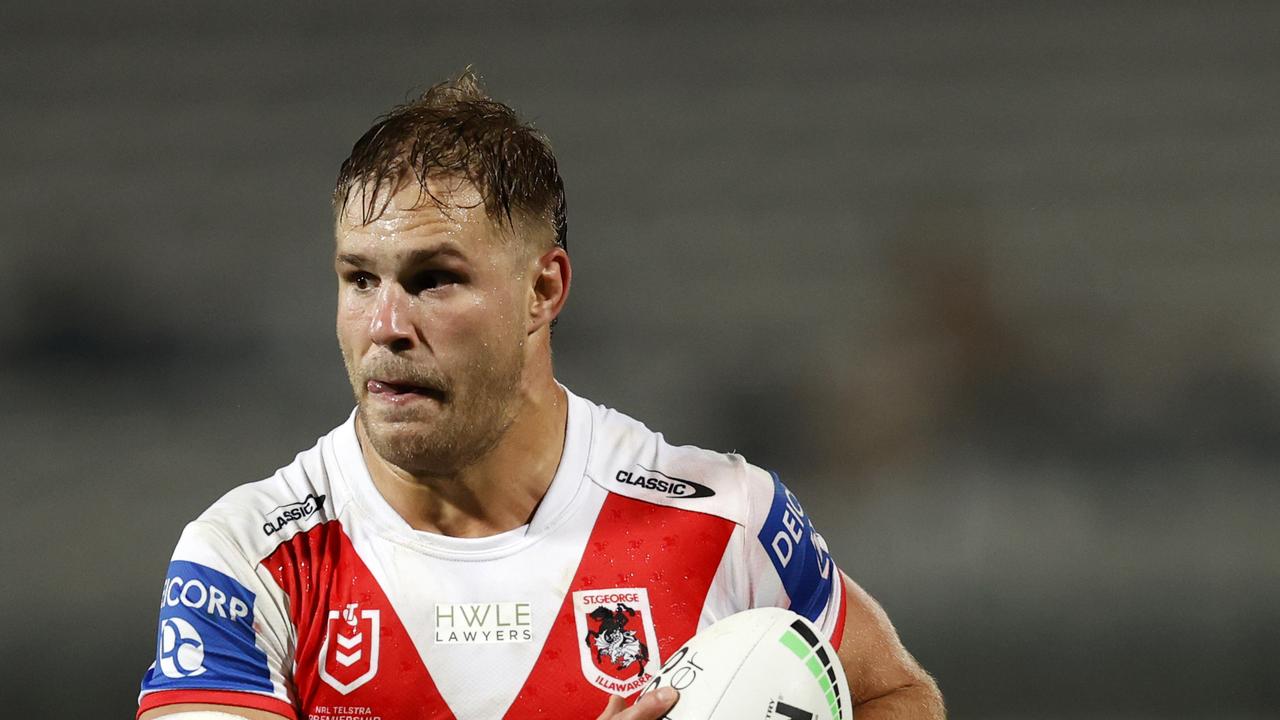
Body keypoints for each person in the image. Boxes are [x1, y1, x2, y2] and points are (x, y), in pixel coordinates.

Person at [137, 71, 944, 720]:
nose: (384, 324)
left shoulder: (725, 521)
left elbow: (898, 696)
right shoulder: (250, 560)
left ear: (542, 289)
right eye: (358, 279)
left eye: (434, 280)